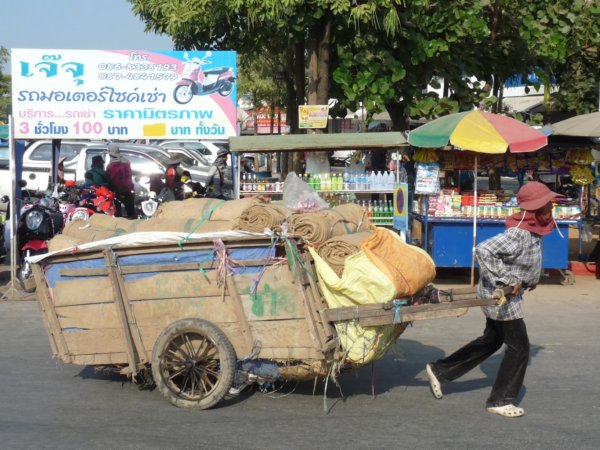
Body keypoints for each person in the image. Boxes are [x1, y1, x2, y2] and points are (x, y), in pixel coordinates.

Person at [425, 181, 563, 418]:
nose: (551, 208)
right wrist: (507, 279)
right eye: (546, 205)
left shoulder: (532, 230)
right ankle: (500, 399)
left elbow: (525, 260)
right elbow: (483, 250)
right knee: (519, 348)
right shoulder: (519, 233)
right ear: (534, 209)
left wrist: (529, 279)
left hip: (504, 295)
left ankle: (441, 370)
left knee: (491, 340)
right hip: (502, 298)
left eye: (550, 204)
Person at [106, 143, 135, 218]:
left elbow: (109, 179)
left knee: (117, 212)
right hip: (128, 190)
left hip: (117, 192)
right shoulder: (127, 162)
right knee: (131, 212)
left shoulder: (110, 166)